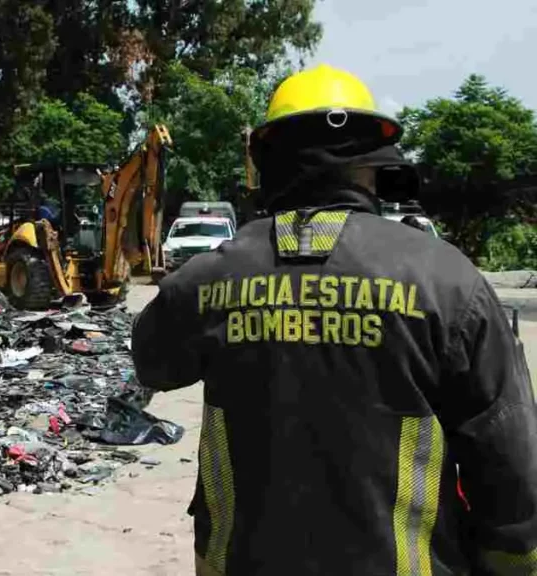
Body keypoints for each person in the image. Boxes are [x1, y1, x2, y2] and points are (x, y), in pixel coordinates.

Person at [132, 64, 537, 575]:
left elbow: (152, 363)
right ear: (371, 166)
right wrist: (514, 564)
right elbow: (510, 457)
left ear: (270, 161)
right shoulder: (448, 279)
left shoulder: (209, 276)